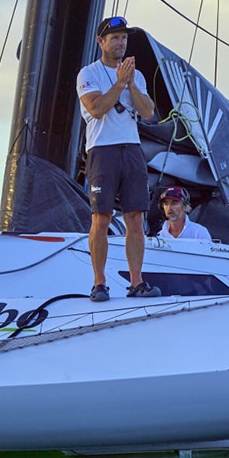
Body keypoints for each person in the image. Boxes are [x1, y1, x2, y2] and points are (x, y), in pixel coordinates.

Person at [76, 16, 159, 302]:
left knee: (135, 217)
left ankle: (137, 282)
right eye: (115, 38)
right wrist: (119, 84)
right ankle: (99, 283)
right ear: (101, 42)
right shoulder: (89, 73)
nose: (121, 42)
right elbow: (97, 108)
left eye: (124, 37)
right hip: (102, 150)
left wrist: (131, 84)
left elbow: (148, 112)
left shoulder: (136, 75)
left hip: (131, 148)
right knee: (101, 218)